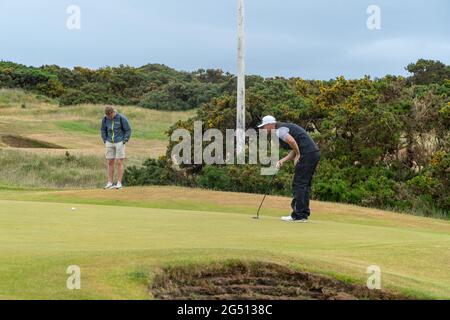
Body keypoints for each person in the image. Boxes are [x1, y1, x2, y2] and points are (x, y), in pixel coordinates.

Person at [258, 115, 320, 223]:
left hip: (307, 154)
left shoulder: (278, 130)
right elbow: (295, 146)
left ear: (270, 125)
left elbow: (291, 142)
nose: (263, 129)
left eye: (264, 127)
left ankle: (298, 215)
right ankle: (303, 214)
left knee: (299, 184)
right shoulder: (282, 128)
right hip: (313, 153)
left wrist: (298, 154)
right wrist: (283, 160)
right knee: (304, 184)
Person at [101, 106, 132, 190]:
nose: (109, 117)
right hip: (109, 141)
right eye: (107, 116)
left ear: (113, 112)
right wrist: (104, 139)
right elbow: (103, 130)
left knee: (119, 162)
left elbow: (128, 130)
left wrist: (125, 140)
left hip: (119, 142)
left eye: (110, 115)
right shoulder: (105, 119)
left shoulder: (121, 118)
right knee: (110, 162)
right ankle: (110, 183)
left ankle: (119, 183)